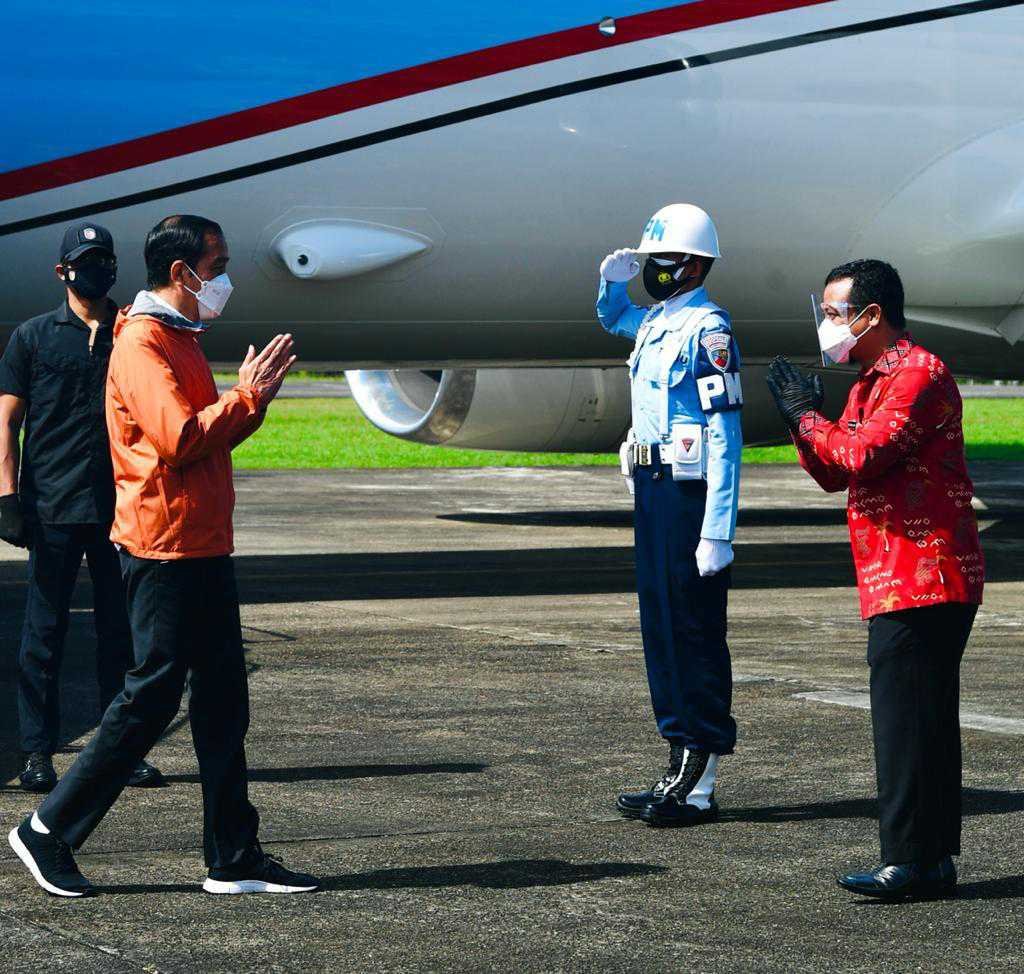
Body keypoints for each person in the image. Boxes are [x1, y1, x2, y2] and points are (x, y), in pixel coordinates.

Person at [8, 214, 319, 897]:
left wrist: (251, 402)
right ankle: (47, 830)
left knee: (222, 703)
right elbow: (179, 439)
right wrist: (247, 396)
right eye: (219, 264)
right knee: (149, 699)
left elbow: (207, 438)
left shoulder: (180, 337)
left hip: (202, 541)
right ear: (182, 273)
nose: (225, 278)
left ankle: (232, 856)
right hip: (166, 546)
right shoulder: (144, 342)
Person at [766, 259, 984, 901]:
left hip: (924, 572)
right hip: (898, 573)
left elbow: (862, 454)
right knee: (923, 720)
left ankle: (910, 861)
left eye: (834, 313)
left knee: (905, 722)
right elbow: (838, 474)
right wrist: (800, 422)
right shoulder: (870, 381)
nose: (826, 325)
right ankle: (931, 859)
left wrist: (808, 418)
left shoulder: (917, 373)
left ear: (872, 315)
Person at [0, 222, 164, 793]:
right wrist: (6, 496)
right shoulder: (35, 337)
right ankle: (37, 754)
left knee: (122, 639)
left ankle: (121, 752)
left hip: (119, 509)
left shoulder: (135, 336)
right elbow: (7, 420)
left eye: (105, 260)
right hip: (51, 509)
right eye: (85, 260)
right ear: (62, 271)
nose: (98, 269)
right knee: (43, 637)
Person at [597, 203, 742, 827]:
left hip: (690, 493)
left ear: (693, 265)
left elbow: (725, 437)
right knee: (659, 622)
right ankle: (677, 752)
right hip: (651, 484)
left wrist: (718, 529)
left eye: (660, 261)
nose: (653, 271)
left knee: (693, 626)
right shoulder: (657, 322)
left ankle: (700, 772)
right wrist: (611, 282)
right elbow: (614, 319)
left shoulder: (710, 333)